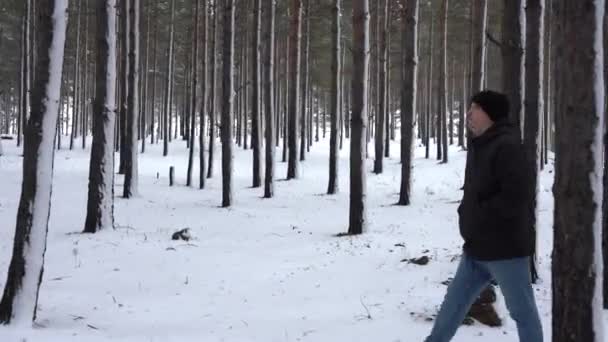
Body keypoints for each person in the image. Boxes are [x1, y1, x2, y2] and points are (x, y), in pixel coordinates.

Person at [424, 90, 543, 342]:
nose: (468, 113)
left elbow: (516, 196)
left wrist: (479, 216)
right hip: (476, 250)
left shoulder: (507, 146)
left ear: (490, 114)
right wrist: (467, 214)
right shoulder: (482, 145)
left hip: (505, 250)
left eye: (474, 108)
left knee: (522, 312)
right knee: (451, 308)